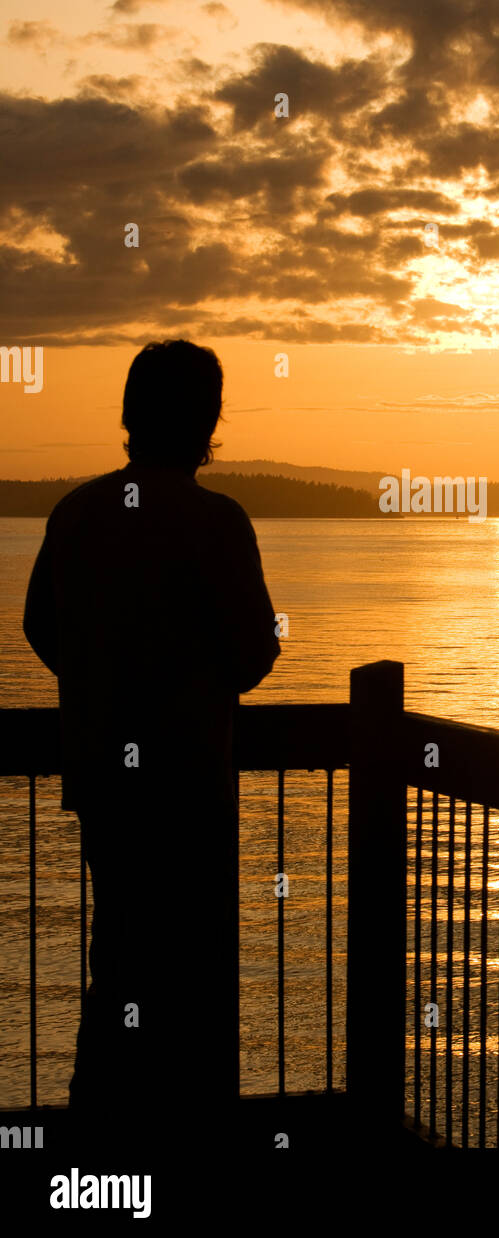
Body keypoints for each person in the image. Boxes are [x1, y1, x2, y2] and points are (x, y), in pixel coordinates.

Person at [23, 339, 280, 1151]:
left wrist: (101, 684)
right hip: (191, 784)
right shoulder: (217, 521)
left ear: (131, 417)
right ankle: (182, 1145)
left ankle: (100, 1140)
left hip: (104, 780)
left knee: (120, 965)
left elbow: (38, 624)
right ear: (207, 423)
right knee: (191, 980)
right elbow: (253, 651)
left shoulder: (76, 513)